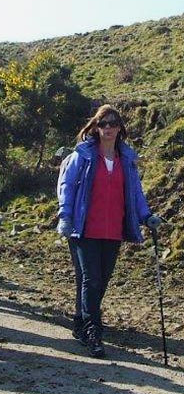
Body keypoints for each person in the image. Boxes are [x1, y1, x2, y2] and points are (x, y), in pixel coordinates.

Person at [57, 104, 161, 358]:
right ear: (95, 126)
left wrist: (146, 216)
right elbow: (66, 187)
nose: (109, 128)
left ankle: (81, 321)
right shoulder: (81, 156)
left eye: (114, 123)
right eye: (104, 123)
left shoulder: (126, 160)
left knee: (99, 281)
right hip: (83, 228)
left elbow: (135, 193)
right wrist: (65, 217)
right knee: (91, 279)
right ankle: (94, 332)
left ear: (120, 128)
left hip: (113, 229)